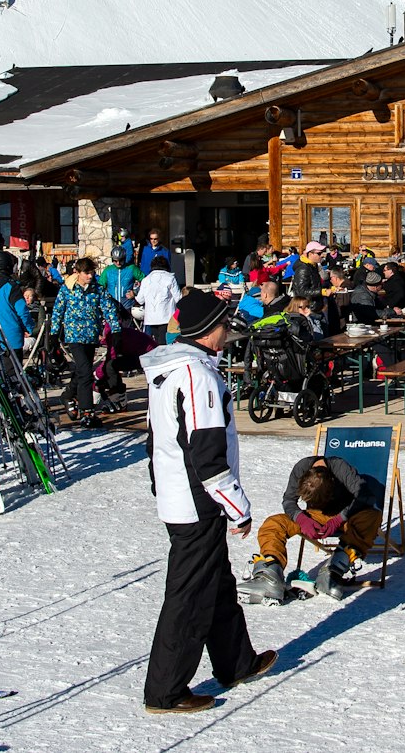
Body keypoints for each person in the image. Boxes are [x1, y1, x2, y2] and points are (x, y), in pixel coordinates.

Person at [141, 292, 275, 713]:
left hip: (180, 491)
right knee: (189, 595)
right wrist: (238, 507)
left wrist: (159, 483)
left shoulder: (170, 368)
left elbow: (155, 438)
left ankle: (236, 662)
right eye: (224, 326)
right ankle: (165, 691)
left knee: (216, 582)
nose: (228, 333)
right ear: (209, 329)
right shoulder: (198, 375)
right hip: (197, 499)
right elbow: (206, 452)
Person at [237, 454, 383, 604]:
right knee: (274, 523)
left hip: (345, 514)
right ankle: (269, 575)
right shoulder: (301, 468)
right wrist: (301, 518)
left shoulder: (340, 469)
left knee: (372, 516)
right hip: (314, 515)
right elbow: (288, 500)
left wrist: (339, 518)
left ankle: (333, 571)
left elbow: (366, 496)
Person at [53, 257, 119, 419]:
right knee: (85, 372)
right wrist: (53, 334)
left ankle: (68, 395)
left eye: (92, 273)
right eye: (87, 273)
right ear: (78, 273)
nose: (90, 276)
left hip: (91, 336)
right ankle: (87, 410)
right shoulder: (67, 289)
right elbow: (58, 310)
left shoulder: (97, 289)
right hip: (74, 336)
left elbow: (108, 309)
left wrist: (116, 330)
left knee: (83, 371)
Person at [138, 255, 181, 345]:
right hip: (167, 317)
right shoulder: (170, 278)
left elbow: (140, 299)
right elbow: (178, 298)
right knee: (165, 342)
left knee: (156, 342)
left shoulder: (146, 280)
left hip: (151, 318)